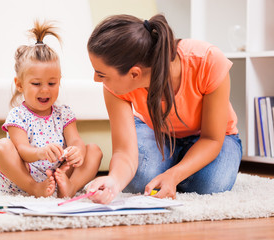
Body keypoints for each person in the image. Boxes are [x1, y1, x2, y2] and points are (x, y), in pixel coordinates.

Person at [86, 14, 242, 204]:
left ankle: (174, 167)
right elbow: (124, 152)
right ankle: (174, 165)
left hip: (211, 137)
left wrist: (174, 175)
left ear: (134, 73)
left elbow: (211, 139)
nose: (96, 79)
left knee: (211, 184)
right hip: (156, 132)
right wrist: (114, 180)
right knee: (137, 181)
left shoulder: (208, 61)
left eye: (101, 74)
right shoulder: (113, 87)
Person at [0, 20, 102, 198]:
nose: (45, 90)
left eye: (52, 83)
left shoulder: (63, 113)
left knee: (94, 150)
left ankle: (70, 187)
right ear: (19, 84)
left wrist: (77, 152)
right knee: (1, 147)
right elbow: (22, 150)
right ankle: (34, 188)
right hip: (25, 174)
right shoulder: (17, 115)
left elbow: (75, 140)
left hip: (59, 173)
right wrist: (40, 152)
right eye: (36, 84)